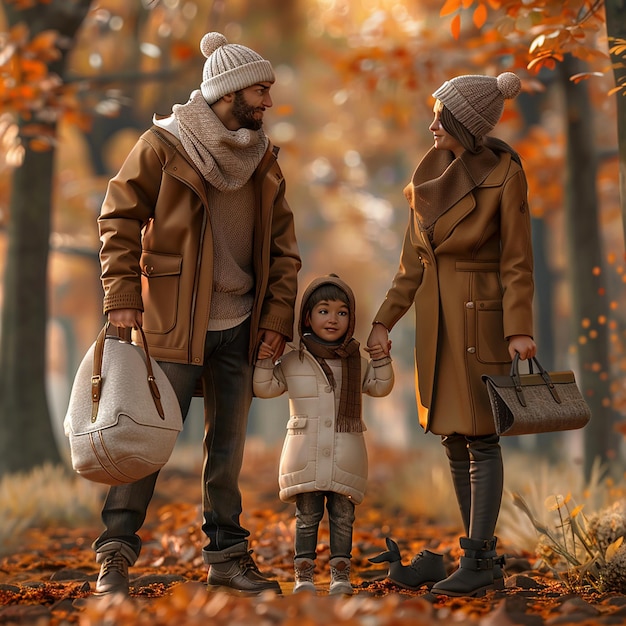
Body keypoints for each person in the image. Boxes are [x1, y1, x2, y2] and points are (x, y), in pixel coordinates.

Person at [94, 32, 301, 596]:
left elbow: (284, 249)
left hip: (241, 325)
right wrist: (122, 297)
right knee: (144, 444)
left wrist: (277, 319)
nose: (268, 102)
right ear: (230, 91)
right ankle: (114, 556)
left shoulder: (263, 160)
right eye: (261, 90)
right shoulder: (163, 145)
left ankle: (227, 558)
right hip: (168, 322)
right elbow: (117, 218)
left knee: (228, 453)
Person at [367, 72, 536, 597]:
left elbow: (517, 262)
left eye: (442, 116)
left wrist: (519, 330)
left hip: (481, 322)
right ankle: (475, 552)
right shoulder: (427, 175)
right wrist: (381, 321)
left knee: (482, 438)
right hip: (436, 324)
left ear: (466, 122)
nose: (432, 124)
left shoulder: (505, 176)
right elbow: (409, 267)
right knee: (451, 437)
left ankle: (480, 559)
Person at [254, 274, 394, 595]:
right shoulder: (293, 361)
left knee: (343, 517)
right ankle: (304, 576)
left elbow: (381, 385)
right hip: (306, 452)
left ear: (351, 319)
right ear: (307, 316)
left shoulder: (356, 362)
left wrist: (381, 357)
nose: (333, 319)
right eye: (324, 311)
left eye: (342, 312)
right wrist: (264, 360)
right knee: (307, 516)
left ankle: (340, 576)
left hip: (346, 452)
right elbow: (264, 387)